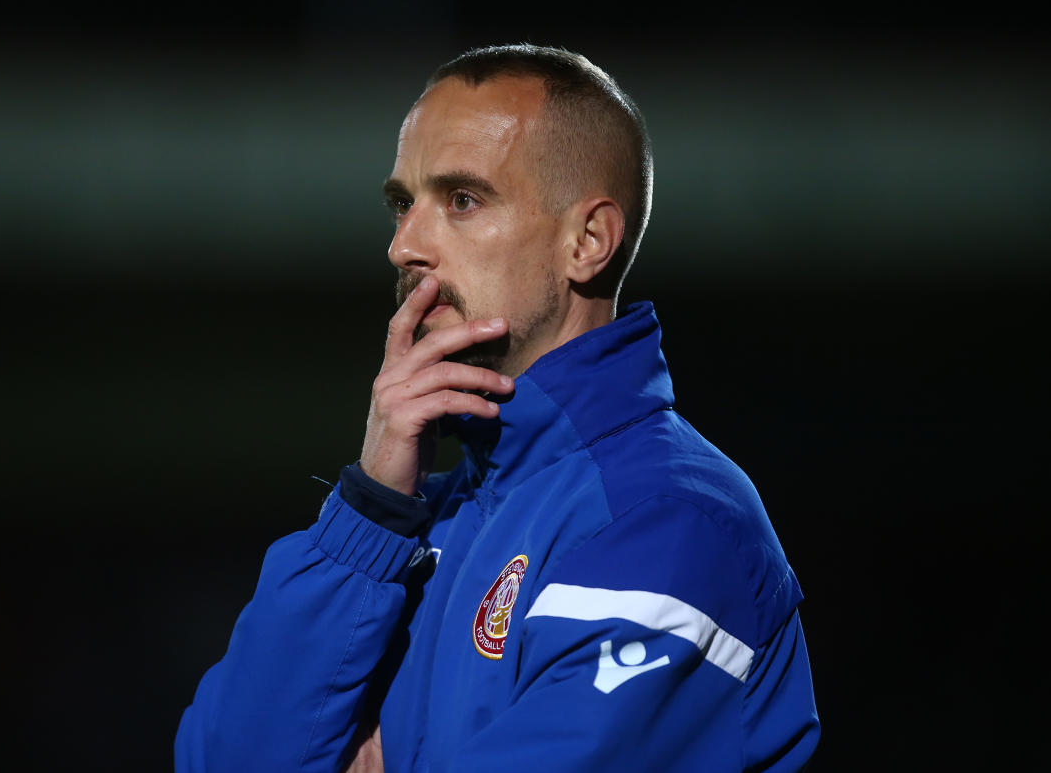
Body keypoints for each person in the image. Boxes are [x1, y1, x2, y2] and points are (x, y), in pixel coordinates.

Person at [175, 44, 820, 772]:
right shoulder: (428, 519)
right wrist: (371, 513)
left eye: (461, 200)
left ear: (588, 241)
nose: (404, 245)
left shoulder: (666, 520)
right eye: (402, 203)